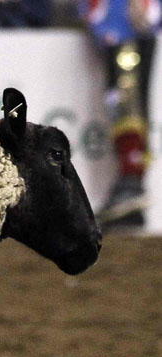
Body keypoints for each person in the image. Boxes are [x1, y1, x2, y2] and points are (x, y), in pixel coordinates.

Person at [83, 0, 160, 230]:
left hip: (124, 18)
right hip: (116, 18)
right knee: (121, 98)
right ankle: (130, 184)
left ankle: (131, 180)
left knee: (128, 95)